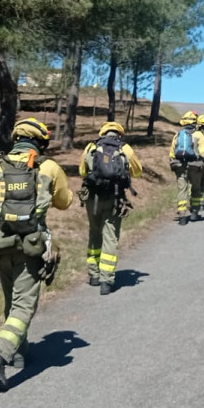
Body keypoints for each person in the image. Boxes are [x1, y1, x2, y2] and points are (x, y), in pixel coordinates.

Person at [0, 118, 74, 390]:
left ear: (16, 139)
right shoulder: (48, 167)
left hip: (0, 243)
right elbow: (64, 202)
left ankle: (19, 351)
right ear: (41, 142)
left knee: (11, 300)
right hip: (32, 245)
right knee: (24, 305)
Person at [78, 121, 143, 295]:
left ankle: (93, 275)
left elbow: (82, 171)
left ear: (102, 133)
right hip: (114, 198)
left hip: (93, 198)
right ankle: (106, 281)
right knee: (110, 237)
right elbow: (138, 171)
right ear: (119, 134)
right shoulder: (125, 148)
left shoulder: (91, 146)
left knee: (94, 233)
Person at [169, 111, 204, 225]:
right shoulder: (199, 135)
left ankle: (182, 215)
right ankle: (194, 213)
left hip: (180, 166)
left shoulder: (178, 135)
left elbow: (172, 154)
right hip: (195, 167)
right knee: (196, 188)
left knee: (182, 190)